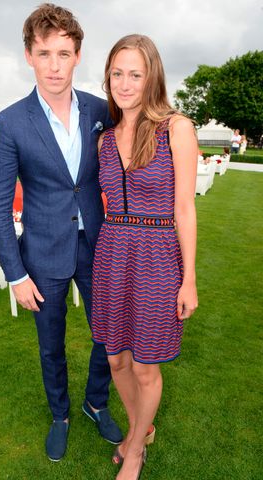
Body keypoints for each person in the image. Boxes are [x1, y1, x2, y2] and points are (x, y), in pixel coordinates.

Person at [0, 3, 122, 462]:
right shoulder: (10, 122)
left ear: (78, 54)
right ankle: (60, 413)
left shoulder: (104, 110)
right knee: (52, 344)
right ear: (29, 55)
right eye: (44, 53)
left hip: (98, 246)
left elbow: (147, 132)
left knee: (107, 336)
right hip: (41, 253)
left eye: (63, 53)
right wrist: (15, 274)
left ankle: (96, 401)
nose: (54, 66)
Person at [91, 34, 198, 480]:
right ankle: (143, 428)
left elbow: (185, 208)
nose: (125, 82)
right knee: (115, 357)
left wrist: (188, 278)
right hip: (112, 254)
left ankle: (134, 450)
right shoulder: (103, 140)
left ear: (152, 75)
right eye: (118, 73)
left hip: (157, 256)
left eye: (135, 73)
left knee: (145, 364)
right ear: (108, 77)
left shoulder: (177, 128)